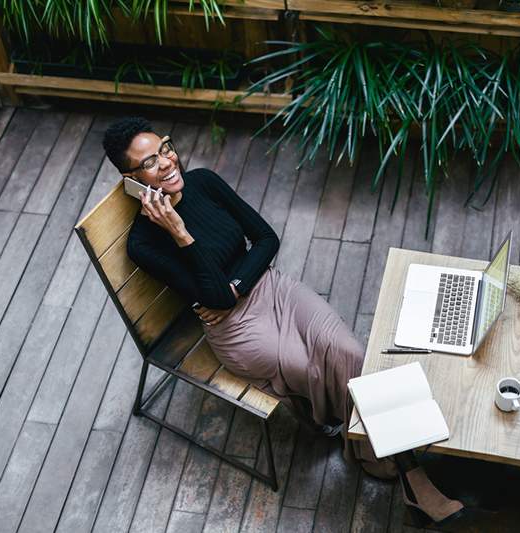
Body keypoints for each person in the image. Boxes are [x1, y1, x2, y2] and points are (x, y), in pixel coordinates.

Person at [102, 117, 464, 525]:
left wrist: (236, 283)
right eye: (150, 162)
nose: (168, 163)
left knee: (349, 352)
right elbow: (216, 297)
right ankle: (407, 470)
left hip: (273, 289)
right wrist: (181, 233)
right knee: (305, 366)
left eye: (166, 147)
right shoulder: (143, 244)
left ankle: (374, 452)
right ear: (130, 178)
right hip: (233, 328)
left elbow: (267, 238)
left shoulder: (203, 181)